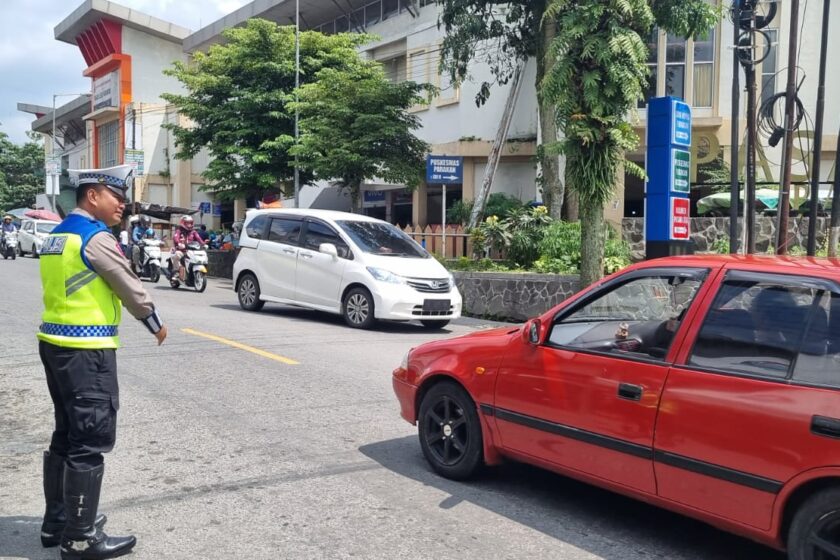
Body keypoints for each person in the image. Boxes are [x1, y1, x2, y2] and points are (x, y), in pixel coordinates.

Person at [37, 164, 167, 560]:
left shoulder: (58, 235)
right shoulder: (95, 238)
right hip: (86, 351)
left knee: (67, 435)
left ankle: (57, 523)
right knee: (90, 439)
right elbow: (128, 284)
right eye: (117, 198)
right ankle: (80, 539)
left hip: (55, 344)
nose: (123, 207)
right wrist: (153, 322)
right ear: (93, 195)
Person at [171, 215, 203, 282]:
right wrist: (178, 243)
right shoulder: (179, 231)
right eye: (187, 223)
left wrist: (203, 244)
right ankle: (176, 273)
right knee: (177, 255)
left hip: (191, 251)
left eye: (190, 223)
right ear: (183, 223)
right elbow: (175, 238)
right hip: (182, 251)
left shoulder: (193, 232)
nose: (189, 225)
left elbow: (199, 238)